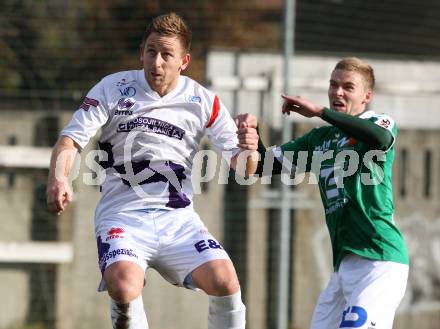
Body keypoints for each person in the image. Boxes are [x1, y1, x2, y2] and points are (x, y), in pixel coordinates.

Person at [46, 12, 258, 329]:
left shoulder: (203, 100)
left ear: (183, 61)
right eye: (151, 52)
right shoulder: (112, 87)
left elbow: (244, 168)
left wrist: (250, 147)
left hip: (179, 219)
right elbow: (70, 141)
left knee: (225, 282)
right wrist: (59, 177)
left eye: (166, 55)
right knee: (122, 285)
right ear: (141, 52)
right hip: (124, 215)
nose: (156, 63)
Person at [250, 57, 409, 329]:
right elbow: (262, 166)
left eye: (348, 87)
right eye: (333, 85)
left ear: (367, 96)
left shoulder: (378, 122)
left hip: (378, 261)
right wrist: (251, 133)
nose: (338, 92)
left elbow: (381, 139)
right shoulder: (318, 140)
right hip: (343, 267)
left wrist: (320, 112)